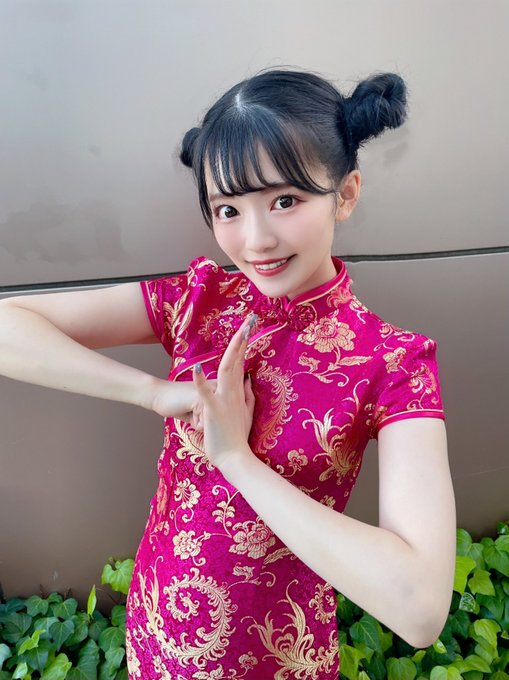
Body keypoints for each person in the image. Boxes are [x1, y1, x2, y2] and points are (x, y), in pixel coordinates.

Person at [0, 67, 456, 679]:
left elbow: (421, 608)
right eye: (228, 209)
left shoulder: (393, 362)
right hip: (154, 636)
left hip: (273, 662)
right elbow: (8, 326)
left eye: (285, 201)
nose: (256, 240)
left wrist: (237, 459)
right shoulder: (200, 300)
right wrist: (151, 392)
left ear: (345, 194)